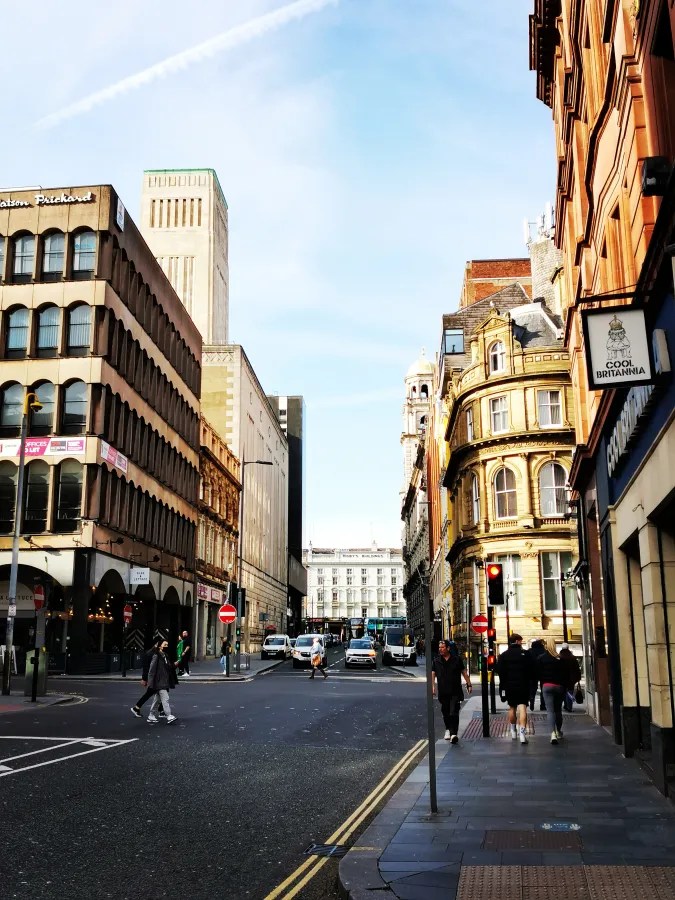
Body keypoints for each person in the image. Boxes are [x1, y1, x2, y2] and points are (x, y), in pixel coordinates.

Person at [431, 640, 472, 744]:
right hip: (443, 691)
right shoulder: (436, 661)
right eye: (439, 647)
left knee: (454, 712)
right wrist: (433, 687)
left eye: (442, 647)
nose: (440, 649)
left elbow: (464, 672)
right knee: (445, 712)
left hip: (455, 691)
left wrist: (469, 684)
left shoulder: (457, 660)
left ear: (448, 648)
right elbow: (433, 674)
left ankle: (454, 734)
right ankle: (448, 729)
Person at [496, 633, 533, 744]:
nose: (521, 643)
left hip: (510, 686)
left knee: (512, 708)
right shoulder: (526, 654)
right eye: (521, 641)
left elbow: (499, 671)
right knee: (523, 708)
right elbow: (531, 669)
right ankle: (522, 734)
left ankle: (513, 731)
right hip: (523, 685)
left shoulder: (503, 655)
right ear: (517, 641)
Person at [536, 636, 570, 744]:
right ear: (555, 645)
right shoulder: (560, 659)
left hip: (546, 686)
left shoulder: (541, 658)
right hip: (559, 686)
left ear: (546, 645)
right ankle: (559, 731)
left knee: (550, 711)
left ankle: (553, 733)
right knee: (558, 710)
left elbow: (538, 673)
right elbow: (565, 674)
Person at [130, 638, 165, 719]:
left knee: (159, 693)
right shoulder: (151, 654)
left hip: (156, 678)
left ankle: (160, 711)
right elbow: (146, 668)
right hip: (153, 678)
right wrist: (144, 679)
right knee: (155, 693)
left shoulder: (155, 653)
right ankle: (137, 708)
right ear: (156, 644)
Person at [147, 639, 178, 724]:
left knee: (157, 699)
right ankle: (169, 716)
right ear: (160, 646)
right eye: (165, 645)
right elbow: (151, 670)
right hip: (159, 681)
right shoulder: (156, 656)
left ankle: (151, 715)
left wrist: (174, 665)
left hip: (164, 681)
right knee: (165, 698)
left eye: (167, 645)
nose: (166, 646)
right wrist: (150, 682)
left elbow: (168, 667)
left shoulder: (165, 655)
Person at [559, 643, 582, 711]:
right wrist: (578, 678)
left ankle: (564, 705)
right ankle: (569, 707)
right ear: (568, 648)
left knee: (562, 692)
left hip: (562, 678)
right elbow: (577, 669)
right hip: (571, 678)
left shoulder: (560, 657)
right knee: (569, 692)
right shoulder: (573, 657)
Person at [528, 638, 547, 711]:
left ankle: (532, 700)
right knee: (543, 689)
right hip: (543, 673)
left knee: (533, 688)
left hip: (532, 673)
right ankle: (543, 705)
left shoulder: (529, 652)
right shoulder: (544, 651)